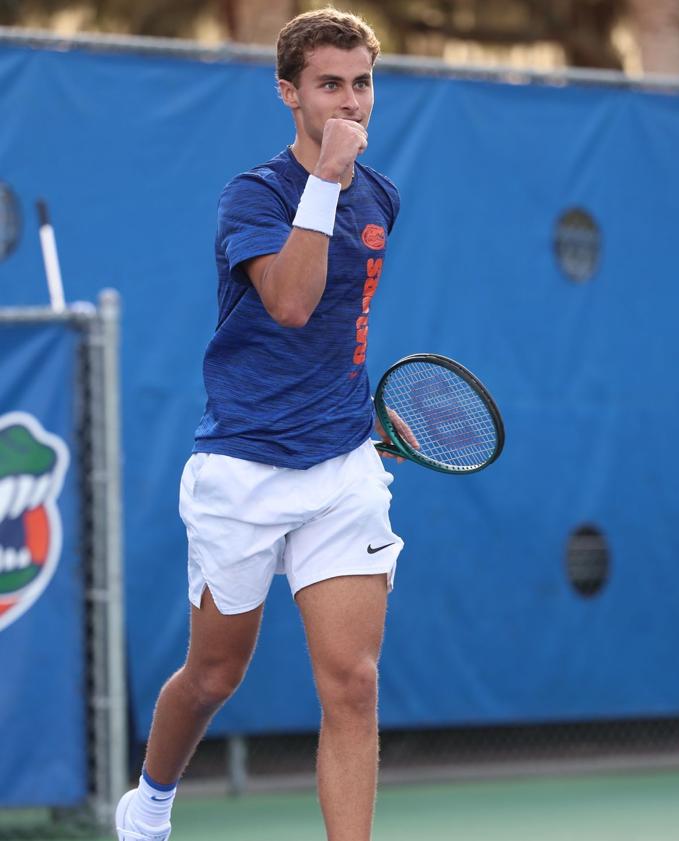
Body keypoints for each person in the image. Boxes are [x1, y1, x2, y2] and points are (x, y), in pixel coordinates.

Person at [116, 8, 414, 841]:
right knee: (213, 675)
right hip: (242, 469)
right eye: (329, 85)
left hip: (342, 470)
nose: (349, 103)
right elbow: (290, 302)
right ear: (288, 92)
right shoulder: (252, 194)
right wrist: (323, 180)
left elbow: (341, 330)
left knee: (352, 683)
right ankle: (150, 804)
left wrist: (352, 420)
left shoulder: (382, 197)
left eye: (361, 84)